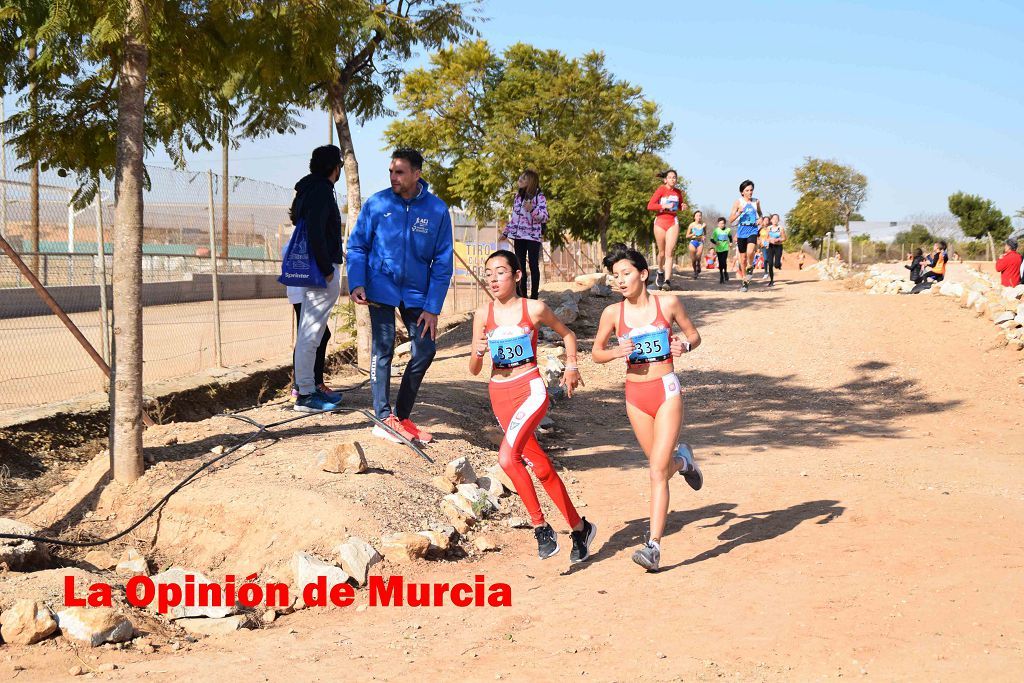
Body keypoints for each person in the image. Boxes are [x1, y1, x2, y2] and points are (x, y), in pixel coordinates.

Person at [469, 250, 596, 563]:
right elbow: (473, 369)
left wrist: (571, 366)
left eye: (500, 272)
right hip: (499, 394)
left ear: (517, 276)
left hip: (530, 390)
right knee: (539, 466)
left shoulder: (534, 309)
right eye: (488, 273)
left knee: (507, 457)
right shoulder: (481, 315)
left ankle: (540, 527)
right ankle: (580, 528)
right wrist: (479, 352)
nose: (493, 278)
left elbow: (568, 334)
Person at [592, 247, 703, 572]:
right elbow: (596, 352)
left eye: (625, 273)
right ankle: (684, 462)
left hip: (666, 389)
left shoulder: (666, 304)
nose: (620, 280)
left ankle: (653, 547)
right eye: (615, 276)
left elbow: (694, 335)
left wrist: (684, 345)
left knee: (655, 471)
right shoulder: (613, 314)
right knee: (663, 465)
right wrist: (615, 352)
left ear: (642, 273)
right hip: (635, 396)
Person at [346, 148, 454, 443]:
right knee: (383, 348)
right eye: (391, 171)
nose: (394, 177)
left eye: (400, 172)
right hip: (380, 286)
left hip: (418, 294)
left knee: (425, 349)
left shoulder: (436, 210)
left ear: (417, 174)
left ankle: (402, 416)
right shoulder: (377, 204)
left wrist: (432, 307)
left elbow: (443, 263)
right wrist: (357, 281)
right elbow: (357, 246)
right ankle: (383, 418)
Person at [290, 145, 345, 413]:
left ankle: (306, 389)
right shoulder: (321, 190)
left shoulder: (307, 189)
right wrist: (326, 268)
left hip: (315, 269)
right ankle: (307, 394)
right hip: (320, 270)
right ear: (334, 168)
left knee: (311, 333)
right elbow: (315, 231)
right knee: (311, 334)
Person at [286, 259, 341, 404]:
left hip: (305, 286)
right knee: (311, 336)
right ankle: (306, 386)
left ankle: (307, 385)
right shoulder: (304, 237)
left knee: (316, 335)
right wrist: (328, 270)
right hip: (306, 287)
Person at [503, 170, 548, 300]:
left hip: (533, 237)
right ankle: (521, 296)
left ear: (531, 181)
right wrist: (506, 232)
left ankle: (534, 297)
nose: (520, 180)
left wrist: (532, 209)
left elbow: (544, 217)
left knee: (533, 265)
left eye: (524, 178)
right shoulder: (517, 196)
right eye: (520, 178)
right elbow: (514, 218)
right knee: (519, 266)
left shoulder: (539, 196)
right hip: (519, 237)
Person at [646, 170, 687, 290]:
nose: (673, 179)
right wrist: (663, 206)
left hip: (672, 222)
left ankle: (667, 281)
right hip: (660, 222)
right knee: (662, 252)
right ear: (666, 180)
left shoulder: (678, 192)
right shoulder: (661, 190)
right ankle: (660, 271)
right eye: (670, 177)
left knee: (669, 252)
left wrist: (682, 207)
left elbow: (678, 206)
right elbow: (650, 205)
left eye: (674, 177)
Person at [729, 180, 762, 292]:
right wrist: (739, 212)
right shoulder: (738, 202)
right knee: (742, 259)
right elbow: (731, 219)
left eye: (751, 190)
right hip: (742, 230)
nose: (750, 192)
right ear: (742, 192)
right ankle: (744, 281)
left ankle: (750, 266)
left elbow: (760, 213)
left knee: (750, 252)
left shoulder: (756, 201)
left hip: (752, 229)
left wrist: (760, 219)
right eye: (747, 190)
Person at [685, 211, 707, 279]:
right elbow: (687, 236)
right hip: (693, 242)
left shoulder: (703, 224)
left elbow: (705, 233)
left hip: (700, 242)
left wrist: (704, 237)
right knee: (693, 259)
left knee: (698, 256)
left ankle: (698, 264)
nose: (699, 217)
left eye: (700, 215)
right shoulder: (691, 225)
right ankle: (695, 271)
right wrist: (693, 234)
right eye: (697, 216)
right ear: (694, 217)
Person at [766, 214, 786, 287]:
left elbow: (784, 238)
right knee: (770, 264)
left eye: (776, 219)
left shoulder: (781, 228)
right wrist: (769, 241)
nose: (775, 220)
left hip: (778, 247)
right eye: (773, 218)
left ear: (778, 220)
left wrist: (778, 239)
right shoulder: (769, 228)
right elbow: (766, 238)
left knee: (776, 265)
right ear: (771, 220)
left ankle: (778, 264)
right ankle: (771, 281)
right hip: (770, 247)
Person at [711, 217, 732, 284]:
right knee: (720, 262)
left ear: (724, 224)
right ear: (718, 224)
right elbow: (711, 239)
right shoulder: (716, 230)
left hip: (725, 248)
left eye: (722, 223)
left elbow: (730, 236)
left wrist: (731, 242)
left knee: (724, 261)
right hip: (718, 248)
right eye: (720, 223)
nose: (721, 225)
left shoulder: (728, 230)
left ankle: (725, 272)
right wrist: (715, 242)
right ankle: (721, 275)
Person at [758, 216, 771, 281]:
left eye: (767, 220)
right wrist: (759, 243)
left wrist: (768, 243)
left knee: (769, 259)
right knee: (765, 259)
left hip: (770, 246)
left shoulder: (770, 229)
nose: (766, 222)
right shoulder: (760, 229)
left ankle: (770, 272)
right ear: (762, 221)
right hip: (763, 246)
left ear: (769, 222)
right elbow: (757, 237)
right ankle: (766, 273)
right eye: (765, 220)